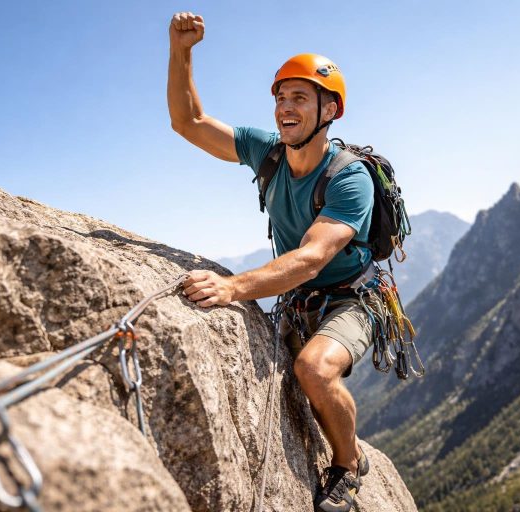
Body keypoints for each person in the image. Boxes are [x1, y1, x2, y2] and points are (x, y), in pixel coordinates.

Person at [168, 12, 375, 512]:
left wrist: (233, 288)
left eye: (299, 97)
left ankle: (348, 465)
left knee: (315, 371)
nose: (284, 107)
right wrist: (181, 52)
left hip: (349, 300)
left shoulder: (350, 179)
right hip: (299, 299)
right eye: (280, 97)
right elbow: (188, 123)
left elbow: (311, 258)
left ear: (331, 112)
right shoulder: (269, 153)